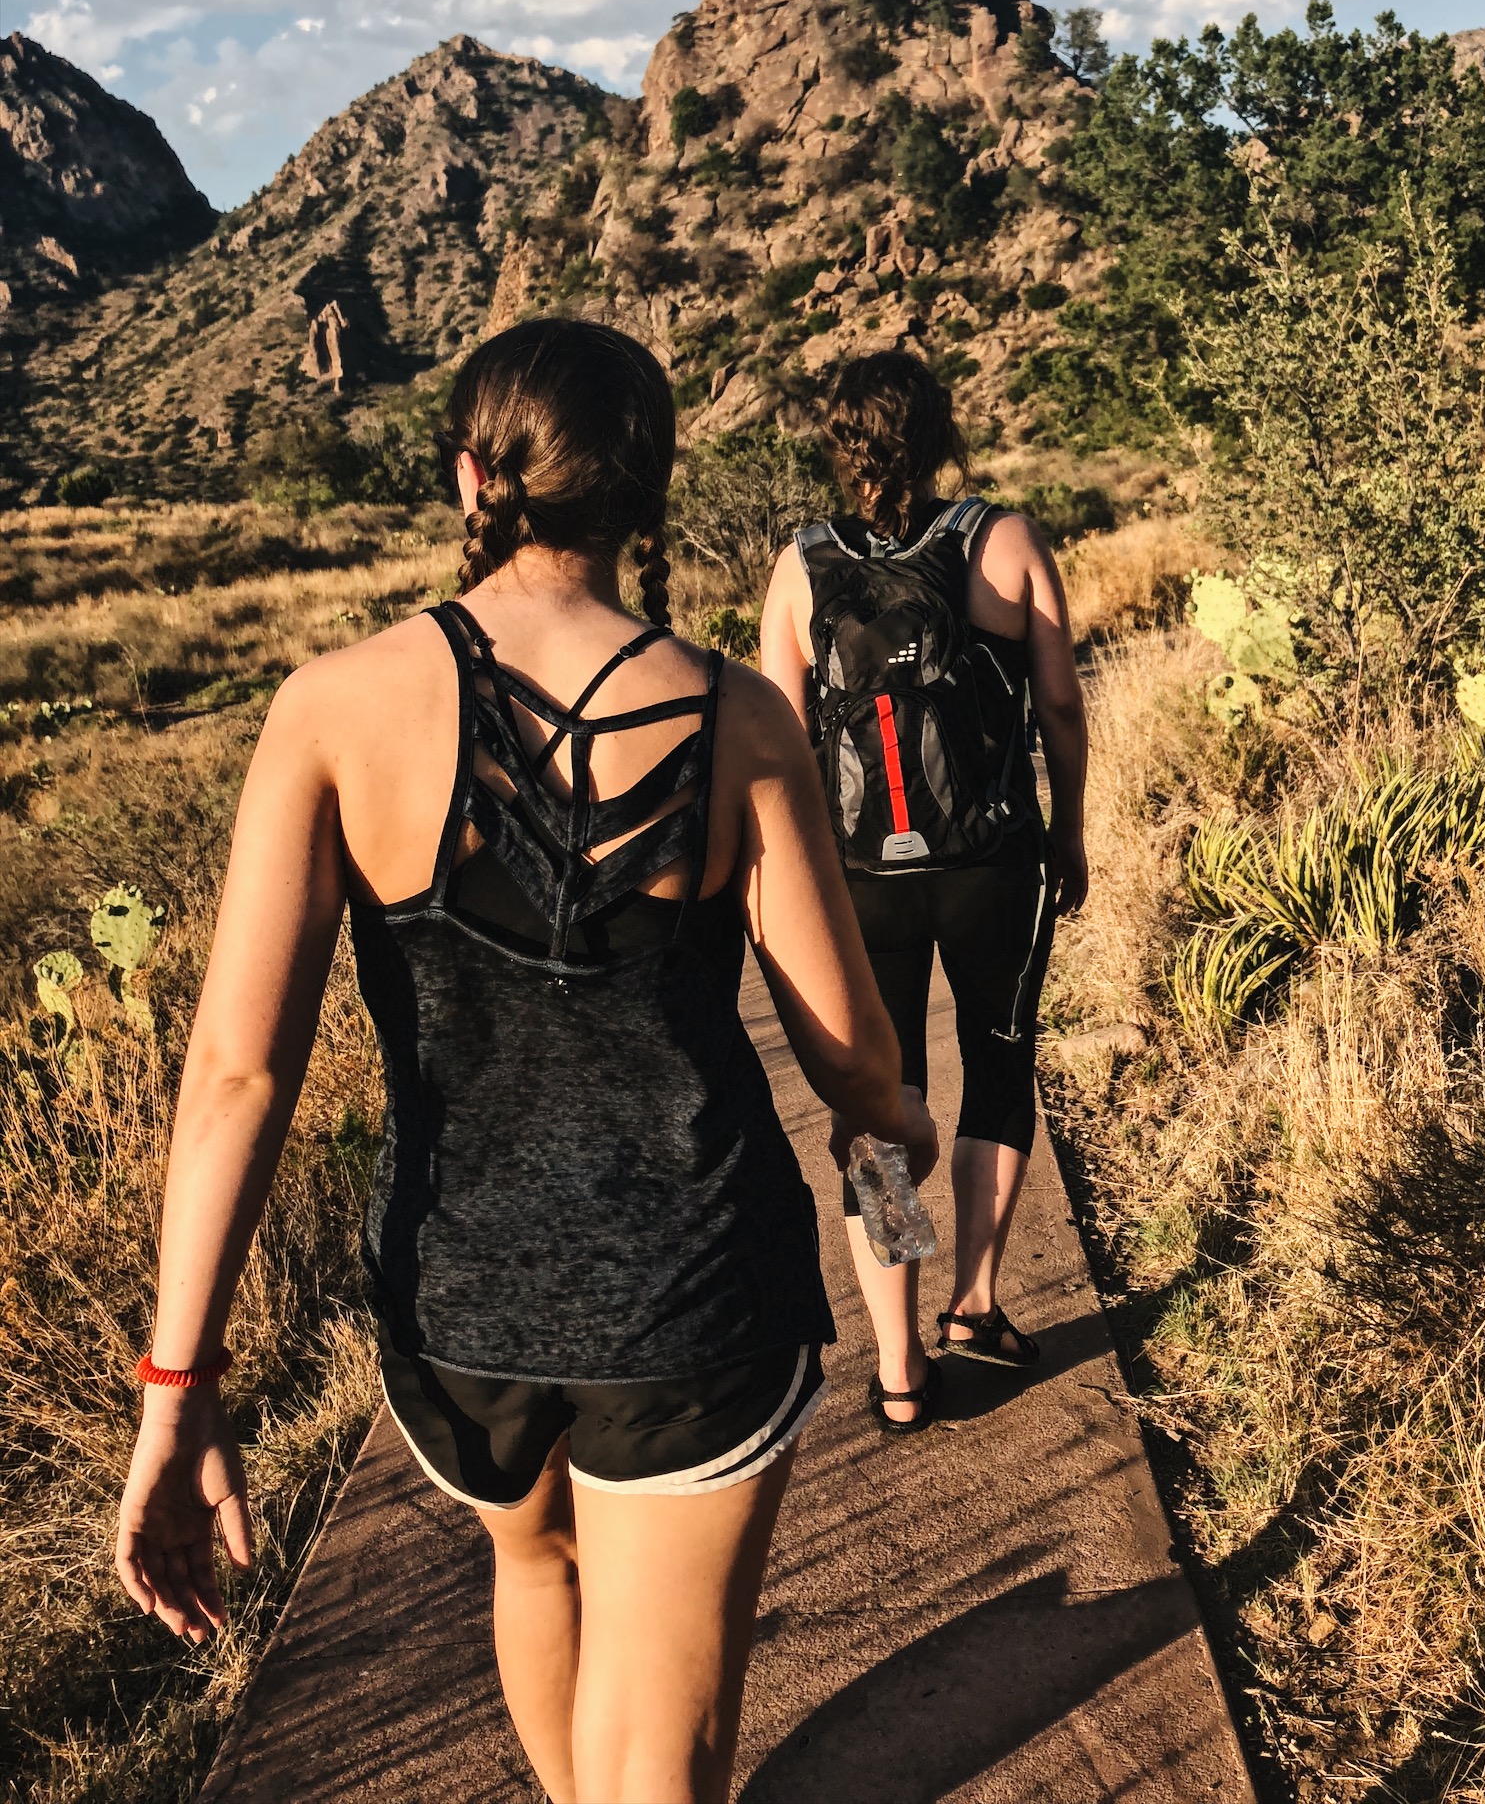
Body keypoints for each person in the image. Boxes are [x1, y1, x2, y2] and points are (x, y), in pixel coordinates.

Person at [113, 318, 936, 1804]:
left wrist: (180, 1385)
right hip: (691, 1294)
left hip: (457, 1304)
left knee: (535, 1561)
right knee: (660, 1763)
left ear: (468, 475)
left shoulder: (331, 709)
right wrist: (897, 1129)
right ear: (648, 495)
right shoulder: (734, 716)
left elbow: (238, 1074)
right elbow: (849, 1045)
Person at [760, 352, 1088, 1433]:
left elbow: (776, 743)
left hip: (863, 888)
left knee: (877, 1116)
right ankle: (975, 1302)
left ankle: (899, 1368)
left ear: (840, 449)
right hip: (995, 866)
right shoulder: (1003, 540)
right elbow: (1060, 711)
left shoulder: (800, 567)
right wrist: (1070, 834)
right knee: (998, 1065)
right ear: (942, 432)